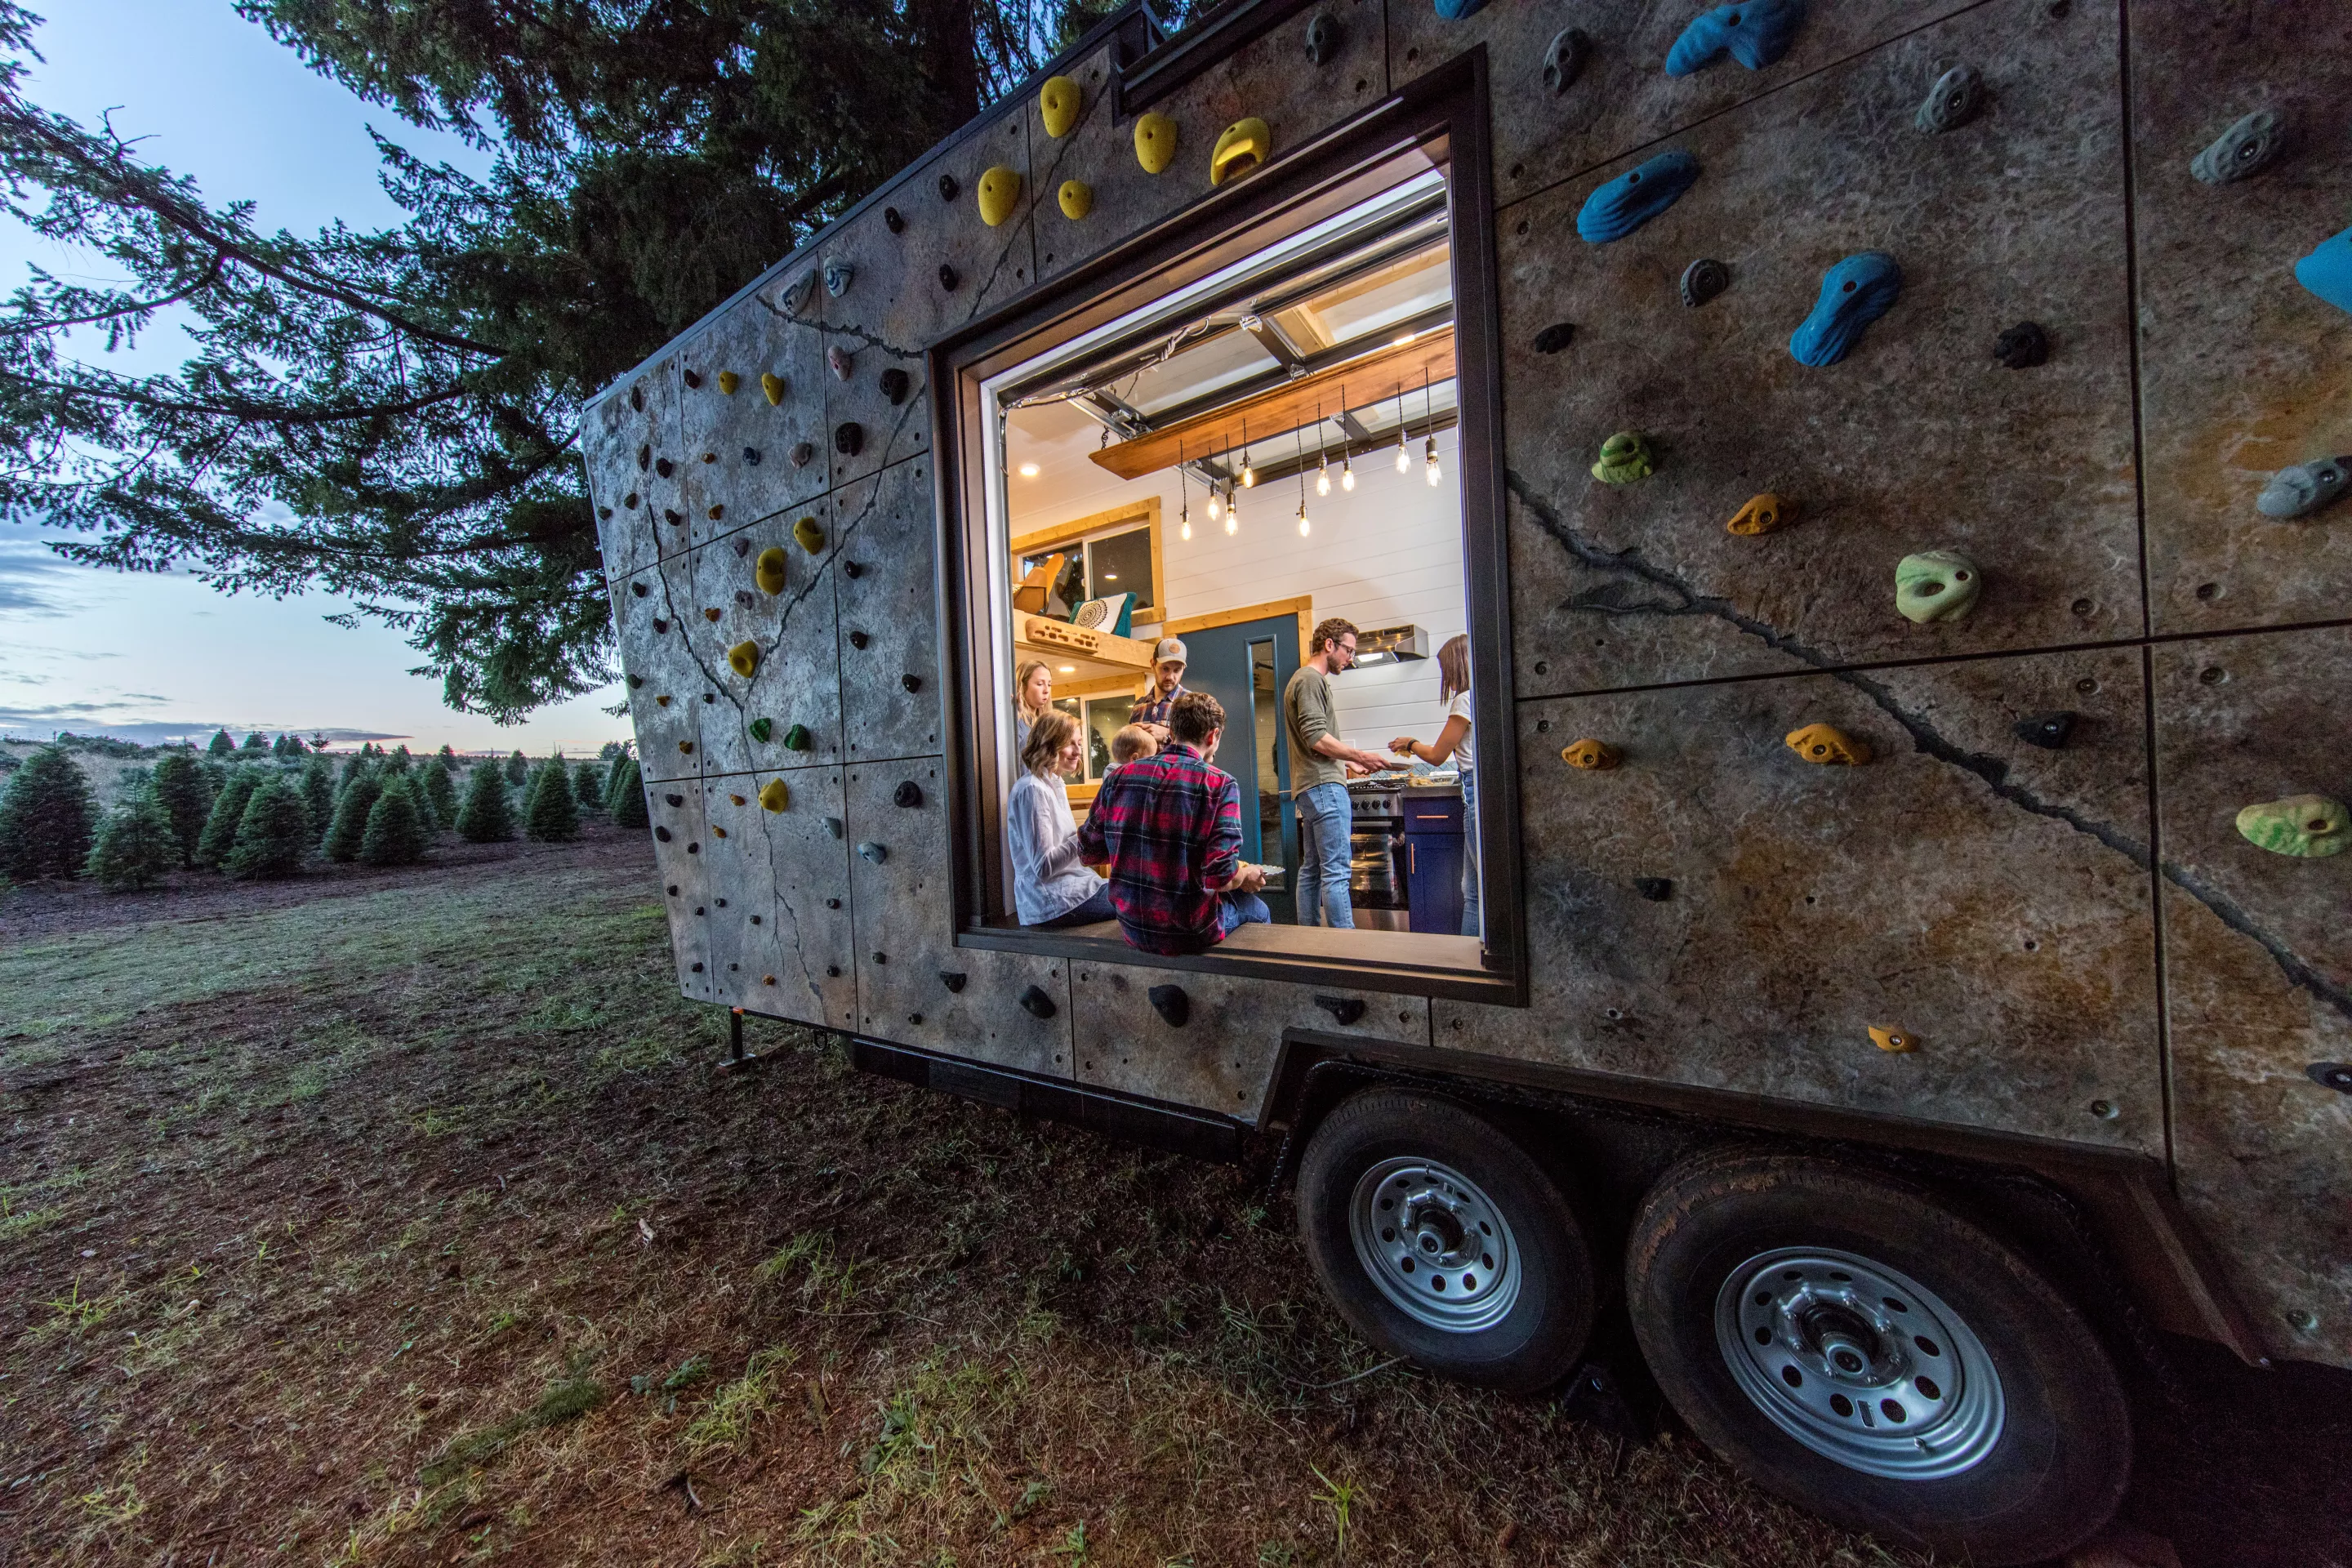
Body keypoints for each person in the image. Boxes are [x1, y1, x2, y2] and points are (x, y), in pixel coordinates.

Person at [1076, 690, 1271, 955]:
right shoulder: (1220, 784)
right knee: (1258, 910)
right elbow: (1220, 875)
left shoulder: (1118, 776)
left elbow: (1089, 852)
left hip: (1131, 926)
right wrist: (1246, 875)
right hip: (1189, 931)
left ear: (1173, 730)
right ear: (1212, 736)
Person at [1282, 617, 1393, 929]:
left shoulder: (1302, 680)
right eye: (1348, 650)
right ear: (1329, 645)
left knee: (1313, 869)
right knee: (1337, 872)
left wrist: (1347, 763)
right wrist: (1359, 754)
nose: (1350, 658)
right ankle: (1347, 948)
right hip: (1324, 787)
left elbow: (1312, 742)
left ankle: (1312, 942)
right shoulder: (1310, 679)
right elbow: (1316, 736)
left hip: (1311, 785)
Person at [1390, 633, 1479, 938]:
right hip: (1474, 788)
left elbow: (1439, 755)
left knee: (1479, 889)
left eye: (1446, 670)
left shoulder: (1464, 699)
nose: (1446, 678)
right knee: (1473, 888)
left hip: (1474, 791)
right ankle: (1470, 959)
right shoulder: (1478, 696)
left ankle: (1474, 961)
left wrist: (1410, 743)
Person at [1004, 710, 1116, 929]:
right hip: (1051, 903)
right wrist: (1086, 833)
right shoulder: (1032, 790)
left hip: (1073, 889)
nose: (1078, 751)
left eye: (1080, 743)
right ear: (1049, 745)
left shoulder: (1055, 785)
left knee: (1140, 889)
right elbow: (1044, 867)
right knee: (1142, 899)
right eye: (1070, 744)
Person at [1127, 637, 1190, 746]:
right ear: (1152, 664)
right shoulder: (1139, 706)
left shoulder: (1192, 704)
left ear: (1184, 668)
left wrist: (1167, 734)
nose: (1170, 677)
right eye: (1165, 669)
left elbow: (1205, 752)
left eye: (1177, 670)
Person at [1013, 660, 1054, 757]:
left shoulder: (1047, 724)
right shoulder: (1017, 721)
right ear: (1022, 686)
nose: (1046, 690)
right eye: (1040, 684)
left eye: (1049, 684)